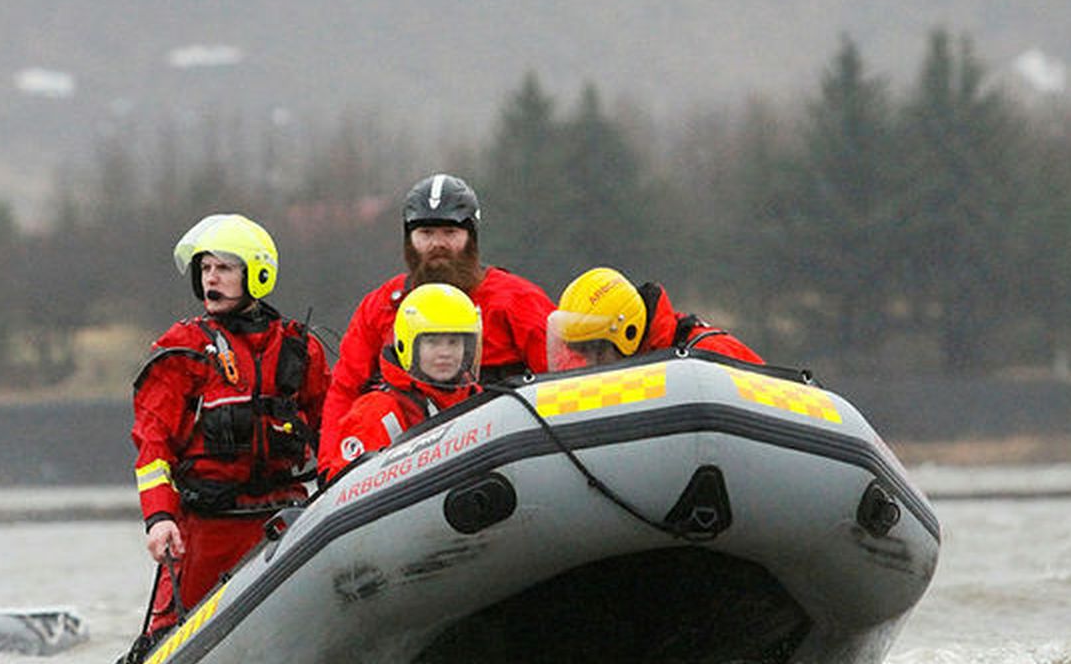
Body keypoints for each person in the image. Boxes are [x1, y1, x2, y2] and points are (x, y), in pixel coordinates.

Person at [100, 213, 330, 664]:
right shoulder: (183, 351)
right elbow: (153, 444)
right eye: (205, 268)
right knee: (164, 642)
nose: (211, 278)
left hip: (282, 523)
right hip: (205, 527)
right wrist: (160, 518)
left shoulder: (299, 350)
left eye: (224, 267)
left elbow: (332, 428)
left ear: (256, 273)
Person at [320, 173, 555, 471]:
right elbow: (344, 391)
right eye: (426, 233)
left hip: (501, 460)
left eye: (449, 232)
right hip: (405, 469)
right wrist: (329, 468)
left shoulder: (516, 301)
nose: (438, 244)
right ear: (409, 240)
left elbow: (561, 380)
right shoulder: (380, 306)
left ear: (471, 237)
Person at [319, 283, 484, 480]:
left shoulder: (479, 401)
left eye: (454, 342)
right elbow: (345, 490)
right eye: (432, 342)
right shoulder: (377, 411)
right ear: (407, 344)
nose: (445, 353)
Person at [546, 267, 763, 370]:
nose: (591, 362)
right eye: (584, 352)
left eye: (597, 351)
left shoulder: (707, 353)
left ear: (627, 334)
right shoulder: (634, 367)